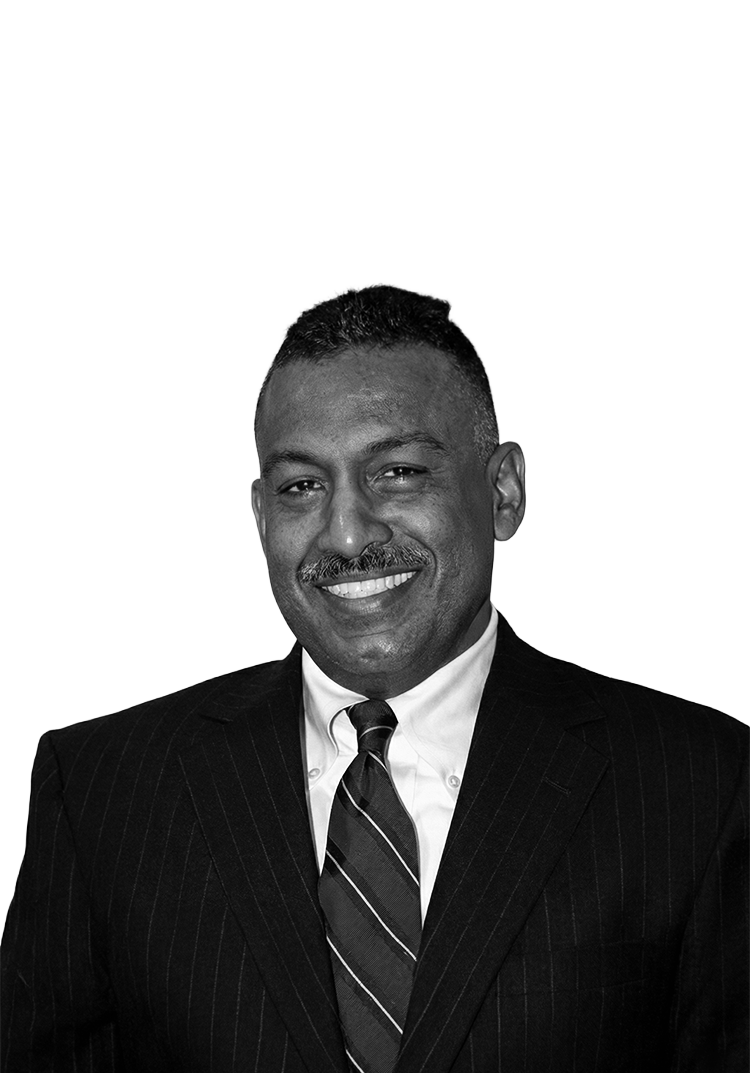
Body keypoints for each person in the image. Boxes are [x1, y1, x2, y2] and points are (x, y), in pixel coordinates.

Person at [1, 284, 747, 1072]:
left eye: (397, 471)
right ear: (259, 514)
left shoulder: (696, 787)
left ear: (503, 491)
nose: (348, 532)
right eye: (301, 486)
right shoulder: (103, 789)